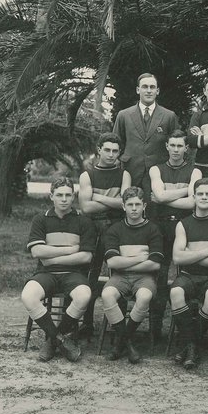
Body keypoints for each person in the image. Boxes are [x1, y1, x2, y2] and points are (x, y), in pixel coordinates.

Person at [20, 176, 96, 363]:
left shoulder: (84, 222)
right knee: (28, 296)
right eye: (59, 195)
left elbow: (86, 257)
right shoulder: (41, 219)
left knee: (84, 296)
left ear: (74, 197)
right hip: (46, 273)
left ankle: (53, 339)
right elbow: (37, 251)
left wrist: (51, 256)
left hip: (73, 274)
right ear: (51, 196)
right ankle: (60, 339)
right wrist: (70, 250)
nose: (64, 199)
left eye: (68, 195)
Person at [169, 178, 208, 369]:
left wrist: (192, 254)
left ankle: (189, 345)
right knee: (175, 292)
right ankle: (193, 347)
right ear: (194, 197)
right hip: (188, 275)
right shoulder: (183, 224)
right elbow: (178, 258)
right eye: (200, 194)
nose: (204, 197)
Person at [100, 187, 164, 364]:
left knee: (144, 297)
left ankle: (120, 343)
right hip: (119, 277)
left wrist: (125, 259)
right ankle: (127, 344)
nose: (134, 208)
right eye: (130, 205)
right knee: (107, 295)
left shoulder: (153, 229)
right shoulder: (115, 230)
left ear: (144, 206)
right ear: (123, 206)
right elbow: (112, 263)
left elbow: (155, 263)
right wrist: (140, 257)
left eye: (137, 204)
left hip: (145, 277)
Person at [147, 131, 201, 337]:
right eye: (173, 145)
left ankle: (184, 330)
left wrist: (164, 198)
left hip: (186, 229)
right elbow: (158, 195)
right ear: (167, 147)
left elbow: (192, 202)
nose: (176, 150)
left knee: (186, 277)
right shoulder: (156, 169)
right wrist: (186, 190)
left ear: (187, 148)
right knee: (159, 277)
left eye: (180, 146)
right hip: (160, 228)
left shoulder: (195, 171)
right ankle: (155, 329)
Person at [76, 132, 131, 335]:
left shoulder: (124, 174)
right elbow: (86, 208)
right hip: (92, 228)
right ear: (99, 150)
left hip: (117, 228)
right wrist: (113, 201)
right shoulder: (87, 175)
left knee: (119, 275)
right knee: (90, 275)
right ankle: (87, 324)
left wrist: (97, 196)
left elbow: (124, 204)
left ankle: (118, 327)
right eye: (107, 150)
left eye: (115, 151)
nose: (111, 154)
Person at [113, 72, 180, 191]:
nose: (149, 90)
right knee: (131, 207)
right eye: (145, 87)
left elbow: (177, 145)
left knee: (155, 208)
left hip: (159, 175)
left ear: (157, 91)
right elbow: (116, 144)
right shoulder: (124, 115)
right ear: (138, 90)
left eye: (152, 87)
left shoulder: (169, 116)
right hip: (130, 172)